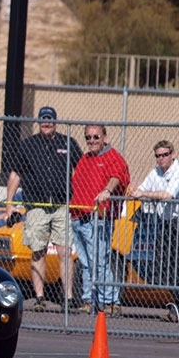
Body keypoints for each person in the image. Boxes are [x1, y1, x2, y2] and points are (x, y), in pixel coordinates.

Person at [4, 106, 83, 312]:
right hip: (37, 206)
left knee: (65, 252)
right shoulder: (28, 145)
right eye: (43, 120)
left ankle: (68, 298)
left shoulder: (67, 143)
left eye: (50, 120)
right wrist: (9, 204)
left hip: (61, 206)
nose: (47, 124)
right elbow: (15, 175)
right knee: (38, 251)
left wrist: (81, 197)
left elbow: (82, 170)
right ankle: (39, 297)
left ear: (55, 122)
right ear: (39, 122)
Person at [69, 124, 130, 316]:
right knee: (86, 263)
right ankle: (89, 300)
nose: (92, 141)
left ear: (104, 137)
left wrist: (107, 191)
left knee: (100, 262)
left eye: (96, 137)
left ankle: (110, 302)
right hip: (78, 217)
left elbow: (117, 177)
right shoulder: (85, 159)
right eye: (88, 137)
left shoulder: (113, 157)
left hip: (98, 219)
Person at [128, 140, 179, 320]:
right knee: (162, 265)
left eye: (165, 155)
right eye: (158, 156)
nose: (161, 158)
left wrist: (143, 194)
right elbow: (141, 189)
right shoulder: (155, 172)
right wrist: (135, 190)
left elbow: (167, 195)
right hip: (165, 222)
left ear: (172, 155)